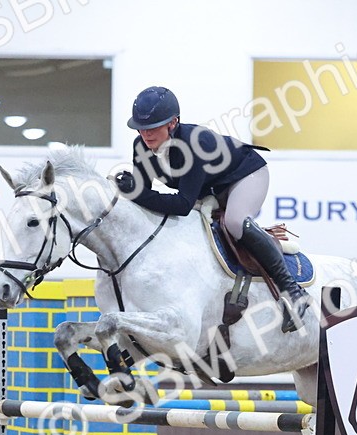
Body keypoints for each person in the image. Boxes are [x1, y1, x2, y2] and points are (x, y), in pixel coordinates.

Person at [112, 86, 310, 332]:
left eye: (152, 127)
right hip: (211, 189)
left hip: (246, 174)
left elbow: (182, 205)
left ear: (173, 123)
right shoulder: (140, 146)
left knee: (235, 222)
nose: (145, 134)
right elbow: (143, 194)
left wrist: (138, 193)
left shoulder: (194, 144)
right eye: (141, 128)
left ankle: (293, 290)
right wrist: (130, 189)